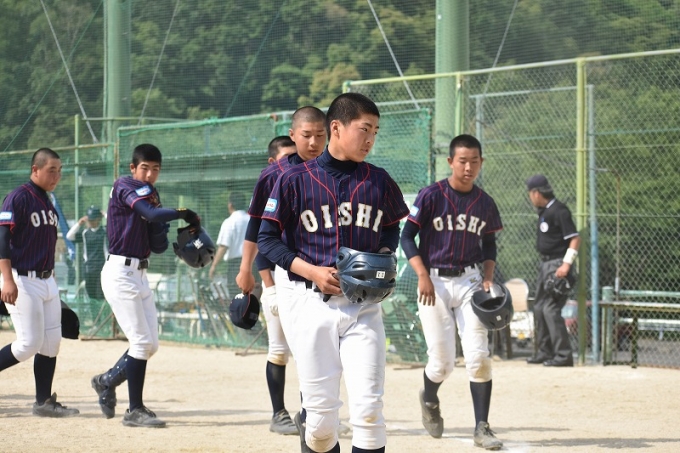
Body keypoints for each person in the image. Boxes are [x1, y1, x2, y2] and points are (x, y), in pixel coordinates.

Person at [259, 92, 409, 453]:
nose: (370, 139)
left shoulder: (379, 180)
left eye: (375, 131)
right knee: (322, 424)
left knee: (369, 411)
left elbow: (391, 227)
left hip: (363, 307)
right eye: (364, 129)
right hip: (312, 306)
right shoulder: (294, 179)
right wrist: (311, 271)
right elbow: (267, 240)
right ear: (337, 127)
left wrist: (384, 253)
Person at [399, 134, 504, 450]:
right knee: (442, 363)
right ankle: (429, 399)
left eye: (474, 161)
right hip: (434, 281)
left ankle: (482, 427)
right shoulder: (431, 195)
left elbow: (489, 243)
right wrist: (421, 274)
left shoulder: (485, 202)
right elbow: (407, 237)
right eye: (462, 161)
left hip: (470, 281)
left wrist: (488, 277)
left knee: (478, 356)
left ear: (481, 163)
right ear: (450, 162)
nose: (468, 167)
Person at [91, 143, 201, 427]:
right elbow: (150, 214)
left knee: (150, 345)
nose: (150, 174)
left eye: (155, 169)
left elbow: (157, 244)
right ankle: (135, 410)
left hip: (139, 273)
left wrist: (172, 237)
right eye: (145, 168)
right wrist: (184, 212)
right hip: (119, 272)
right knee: (140, 343)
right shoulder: (124, 185)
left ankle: (106, 381)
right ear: (133, 168)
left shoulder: (152, 194)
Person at [236, 115, 327, 437]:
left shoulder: (330, 170)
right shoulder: (274, 174)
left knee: (313, 351)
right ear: (294, 134)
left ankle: (310, 413)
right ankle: (279, 413)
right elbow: (259, 230)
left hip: (320, 274)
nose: (313, 142)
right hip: (283, 274)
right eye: (306, 135)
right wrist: (250, 272)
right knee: (280, 349)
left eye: (319, 135)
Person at [0, 147, 80, 417]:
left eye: (59, 170)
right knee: (29, 343)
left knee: (51, 343)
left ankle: (44, 402)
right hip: (21, 277)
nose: (56, 176)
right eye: (51, 170)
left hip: (47, 280)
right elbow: (2, 239)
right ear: (35, 170)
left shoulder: (48, 200)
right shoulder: (18, 197)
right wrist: (7, 279)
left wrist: (52, 281)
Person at [525, 174, 580, 367]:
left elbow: (575, 238)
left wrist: (566, 264)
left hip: (557, 264)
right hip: (545, 265)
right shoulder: (544, 211)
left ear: (536, 193)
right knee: (539, 307)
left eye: (530, 193)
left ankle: (563, 355)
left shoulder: (559, 210)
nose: (530, 197)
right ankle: (544, 351)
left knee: (550, 309)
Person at [209, 191, 250, 298]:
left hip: (236, 266)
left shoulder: (230, 222)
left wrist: (214, 266)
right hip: (253, 263)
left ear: (230, 205)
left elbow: (223, 246)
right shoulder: (251, 220)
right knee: (252, 297)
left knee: (236, 296)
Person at [66, 205, 107, 300]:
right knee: (91, 296)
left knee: (101, 295)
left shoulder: (105, 231)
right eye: (89, 220)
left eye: (93, 219)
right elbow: (69, 236)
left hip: (102, 268)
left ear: (98, 219)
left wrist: (105, 214)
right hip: (89, 269)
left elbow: (115, 225)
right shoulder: (85, 233)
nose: (91, 222)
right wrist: (79, 223)